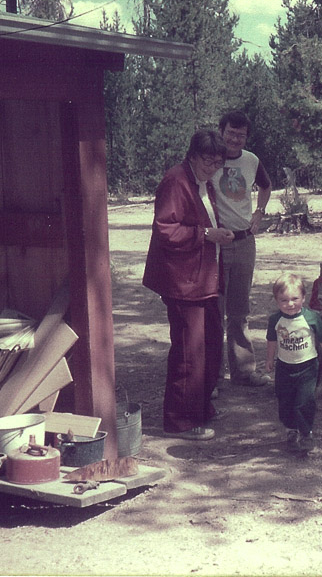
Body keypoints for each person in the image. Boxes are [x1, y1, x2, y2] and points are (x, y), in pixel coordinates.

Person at [142, 130, 234, 441]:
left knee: (209, 347)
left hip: (204, 279)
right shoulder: (175, 180)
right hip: (183, 282)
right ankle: (178, 421)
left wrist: (218, 234)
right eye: (208, 160)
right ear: (192, 155)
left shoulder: (203, 181)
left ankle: (200, 408)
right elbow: (166, 230)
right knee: (188, 352)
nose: (212, 167)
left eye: (218, 162)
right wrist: (207, 235)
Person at [212, 110, 273, 387]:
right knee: (213, 310)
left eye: (241, 134)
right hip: (216, 245)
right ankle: (211, 376)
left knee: (239, 311)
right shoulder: (210, 158)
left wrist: (259, 212)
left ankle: (244, 371)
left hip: (245, 241)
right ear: (221, 131)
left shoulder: (251, 160)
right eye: (230, 133)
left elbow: (266, 185)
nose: (235, 139)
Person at [265, 273, 322, 452]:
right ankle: (291, 429)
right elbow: (272, 340)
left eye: (295, 299)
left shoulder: (311, 318)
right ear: (276, 301)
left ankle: (306, 433)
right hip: (284, 367)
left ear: (303, 298)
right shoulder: (275, 320)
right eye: (284, 300)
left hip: (307, 367)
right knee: (285, 399)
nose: (290, 304)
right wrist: (269, 359)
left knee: (305, 400)